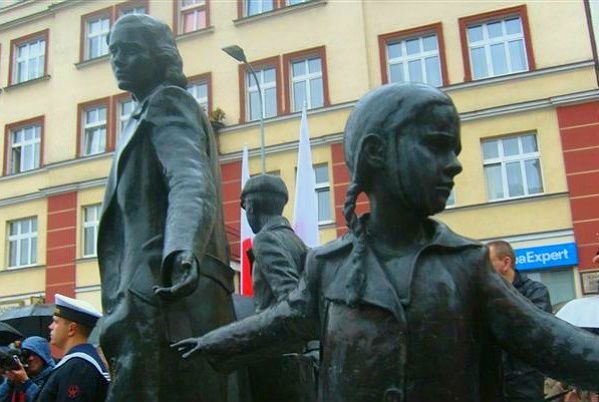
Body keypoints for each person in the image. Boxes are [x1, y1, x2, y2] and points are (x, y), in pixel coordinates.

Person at [174, 83, 599, 402]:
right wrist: (212, 343)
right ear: (375, 153)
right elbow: (284, 323)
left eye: (454, 150)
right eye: (437, 147)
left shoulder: (467, 265)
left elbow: (553, 342)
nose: (454, 165)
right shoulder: (329, 264)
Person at [97, 14, 237, 402]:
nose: (118, 60)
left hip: (160, 295)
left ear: (160, 57)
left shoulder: (168, 102)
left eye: (130, 51)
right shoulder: (142, 113)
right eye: (113, 52)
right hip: (146, 297)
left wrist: (182, 249)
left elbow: (190, 180)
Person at [241, 174, 316, 402]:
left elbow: (291, 298)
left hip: (276, 358)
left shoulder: (265, 240)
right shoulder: (296, 242)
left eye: (245, 208)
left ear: (252, 206)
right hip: (299, 356)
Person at [487, 240, 552, 402]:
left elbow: (533, 329)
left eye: (487, 263)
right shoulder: (483, 295)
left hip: (525, 379)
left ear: (506, 262)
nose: (481, 269)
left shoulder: (535, 291)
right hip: (491, 380)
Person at [37, 294, 108, 402]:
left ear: (71, 329)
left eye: (56, 322)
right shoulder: (78, 363)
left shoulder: (78, 366)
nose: (50, 326)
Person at [0, 336, 55, 402]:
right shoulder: (20, 374)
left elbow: (45, 399)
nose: (30, 358)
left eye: (35, 354)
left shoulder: (53, 377)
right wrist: (10, 383)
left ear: (43, 355)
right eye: (27, 354)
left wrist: (26, 382)